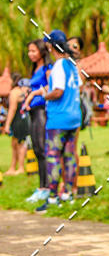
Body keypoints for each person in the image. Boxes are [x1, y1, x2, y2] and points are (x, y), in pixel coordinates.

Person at [35, 30, 81, 212]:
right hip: (74, 116)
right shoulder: (72, 65)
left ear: (51, 46)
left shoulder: (59, 65)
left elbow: (59, 91)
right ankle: (68, 194)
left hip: (59, 118)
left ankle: (53, 197)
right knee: (69, 156)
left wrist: (45, 95)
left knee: (53, 157)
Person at [23, 40, 52, 203]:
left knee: (42, 148)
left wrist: (34, 94)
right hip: (32, 112)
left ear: (41, 51)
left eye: (33, 51)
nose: (30, 54)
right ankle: (41, 186)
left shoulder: (48, 69)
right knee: (36, 149)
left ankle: (46, 187)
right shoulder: (35, 69)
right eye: (29, 51)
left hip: (42, 110)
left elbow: (51, 87)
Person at [1, 73, 30, 175]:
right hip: (23, 120)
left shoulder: (14, 92)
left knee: (19, 144)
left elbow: (12, 109)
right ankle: (12, 167)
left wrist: (7, 125)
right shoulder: (21, 91)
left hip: (18, 121)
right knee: (14, 144)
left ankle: (21, 168)